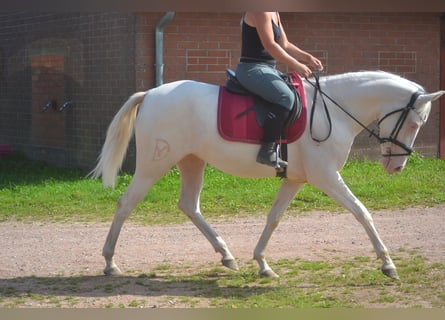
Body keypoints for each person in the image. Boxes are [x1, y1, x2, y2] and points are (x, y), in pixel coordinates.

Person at [236, 12, 323, 168]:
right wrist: (296, 65)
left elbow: (284, 44)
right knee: (285, 97)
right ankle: (266, 150)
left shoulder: (274, 12)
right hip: (252, 69)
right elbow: (270, 45)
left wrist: (308, 58)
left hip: (269, 68)